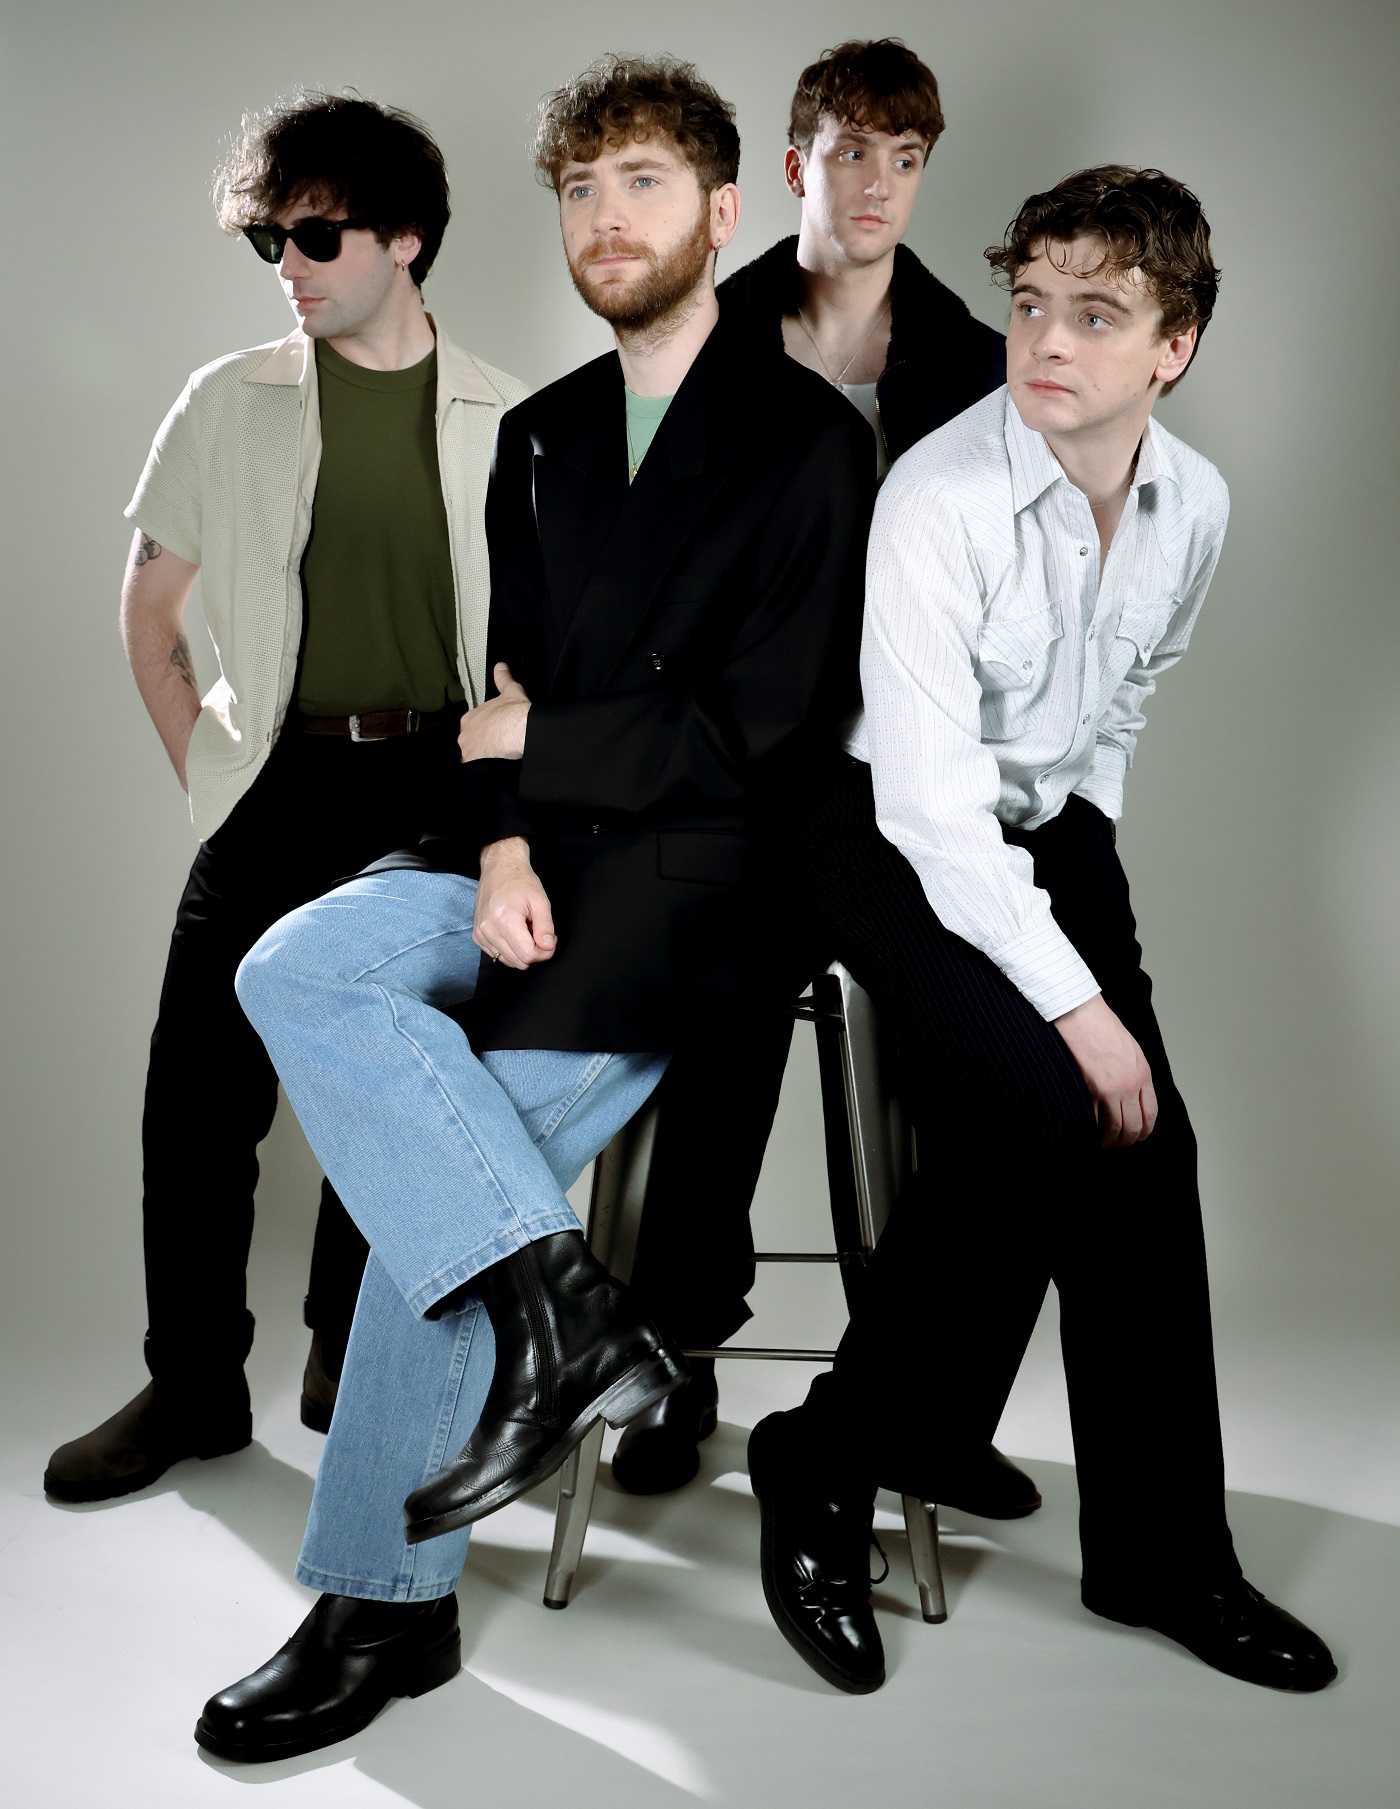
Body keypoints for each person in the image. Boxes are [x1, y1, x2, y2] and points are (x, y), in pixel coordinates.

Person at [193, 56, 874, 1762]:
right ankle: (567, 1303)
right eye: (579, 190)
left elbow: (765, 733)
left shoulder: (809, 445)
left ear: (723, 212)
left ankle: (381, 1605)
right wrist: (500, 841)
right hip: (520, 854)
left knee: (442, 1160)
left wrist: (539, 747)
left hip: (697, 887)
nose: (605, 219)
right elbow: (502, 693)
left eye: (642, 183)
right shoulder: (546, 430)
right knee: (294, 964)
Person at [748, 165, 1338, 1696]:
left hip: (1050, 822)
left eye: (1097, 313)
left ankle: (1160, 1554)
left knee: (1154, 1148)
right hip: (881, 823)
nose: (1048, 341)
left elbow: (1121, 703)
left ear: (1174, 347)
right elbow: (935, 810)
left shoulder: (1194, 504)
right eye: (1029, 304)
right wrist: (1079, 1007)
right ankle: (825, 1453)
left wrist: (1088, 882)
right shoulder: (938, 500)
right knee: (1050, 1108)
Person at [42, 95, 526, 1505]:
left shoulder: (510, 418)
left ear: (406, 238)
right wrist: (211, 779)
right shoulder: (228, 399)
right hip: (278, 776)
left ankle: (342, 1358)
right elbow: (149, 614)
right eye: (271, 239)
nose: (287, 265)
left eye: (316, 236)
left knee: (398, 1080)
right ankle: (194, 1386)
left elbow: (530, 649)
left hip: (436, 788)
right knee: (196, 1097)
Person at [616, 37, 1032, 1512]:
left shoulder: (970, 360)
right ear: (797, 164)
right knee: (719, 1025)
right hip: (732, 776)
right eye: (852, 152)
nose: (878, 185)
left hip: (901, 778)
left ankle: (917, 1400)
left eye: (905, 159)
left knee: (981, 1053)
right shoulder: (704, 332)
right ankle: (676, 1355)